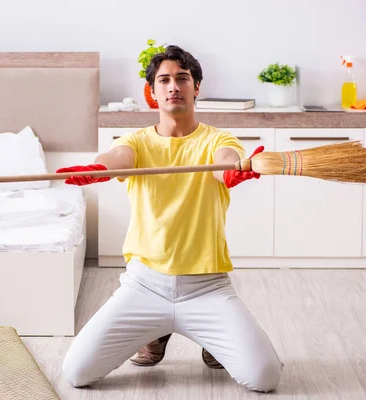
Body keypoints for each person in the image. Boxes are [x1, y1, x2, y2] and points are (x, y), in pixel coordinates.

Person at [57, 45, 282, 393]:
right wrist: (98, 170)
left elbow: (226, 161)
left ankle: (213, 337)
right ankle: (155, 330)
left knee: (265, 377)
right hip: (144, 285)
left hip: (206, 287)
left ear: (196, 87)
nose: (173, 86)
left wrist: (232, 172)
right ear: (153, 92)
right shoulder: (137, 141)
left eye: (182, 78)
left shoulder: (218, 140)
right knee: (76, 373)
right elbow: (118, 157)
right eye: (164, 80)